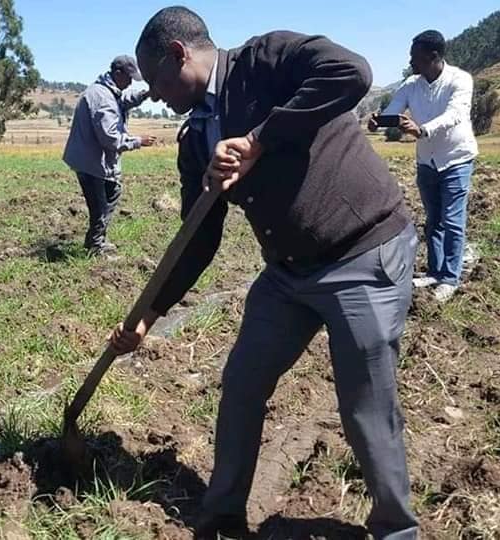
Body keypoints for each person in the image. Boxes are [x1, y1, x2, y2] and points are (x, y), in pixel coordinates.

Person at [111, 7, 420, 539]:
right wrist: (149, 315)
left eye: (157, 81)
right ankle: (223, 516)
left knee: (365, 407)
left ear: (179, 55)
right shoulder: (195, 138)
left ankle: (396, 531)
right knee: (242, 384)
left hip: (362, 253)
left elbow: (353, 73)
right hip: (288, 273)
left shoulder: (266, 61)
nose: (156, 96)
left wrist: (258, 140)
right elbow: (198, 237)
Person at [371, 30, 478, 303]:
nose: (410, 62)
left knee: (452, 220)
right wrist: (378, 121)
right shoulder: (411, 84)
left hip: (456, 159)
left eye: (415, 57)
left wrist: (422, 130)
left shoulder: (460, 80)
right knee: (433, 220)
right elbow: (395, 111)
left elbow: (455, 114)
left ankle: (450, 278)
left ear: (433, 56)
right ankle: (434, 271)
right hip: (427, 161)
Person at [63, 55, 157, 256]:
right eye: (129, 77)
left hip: (92, 159)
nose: (131, 82)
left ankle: (96, 240)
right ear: (117, 73)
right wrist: (138, 141)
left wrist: (146, 94)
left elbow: (123, 101)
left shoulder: (108, 92)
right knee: (100, 206)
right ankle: (95, 247)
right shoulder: (102, 98)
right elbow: (110, 139)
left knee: (111, 193)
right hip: (90, 162)